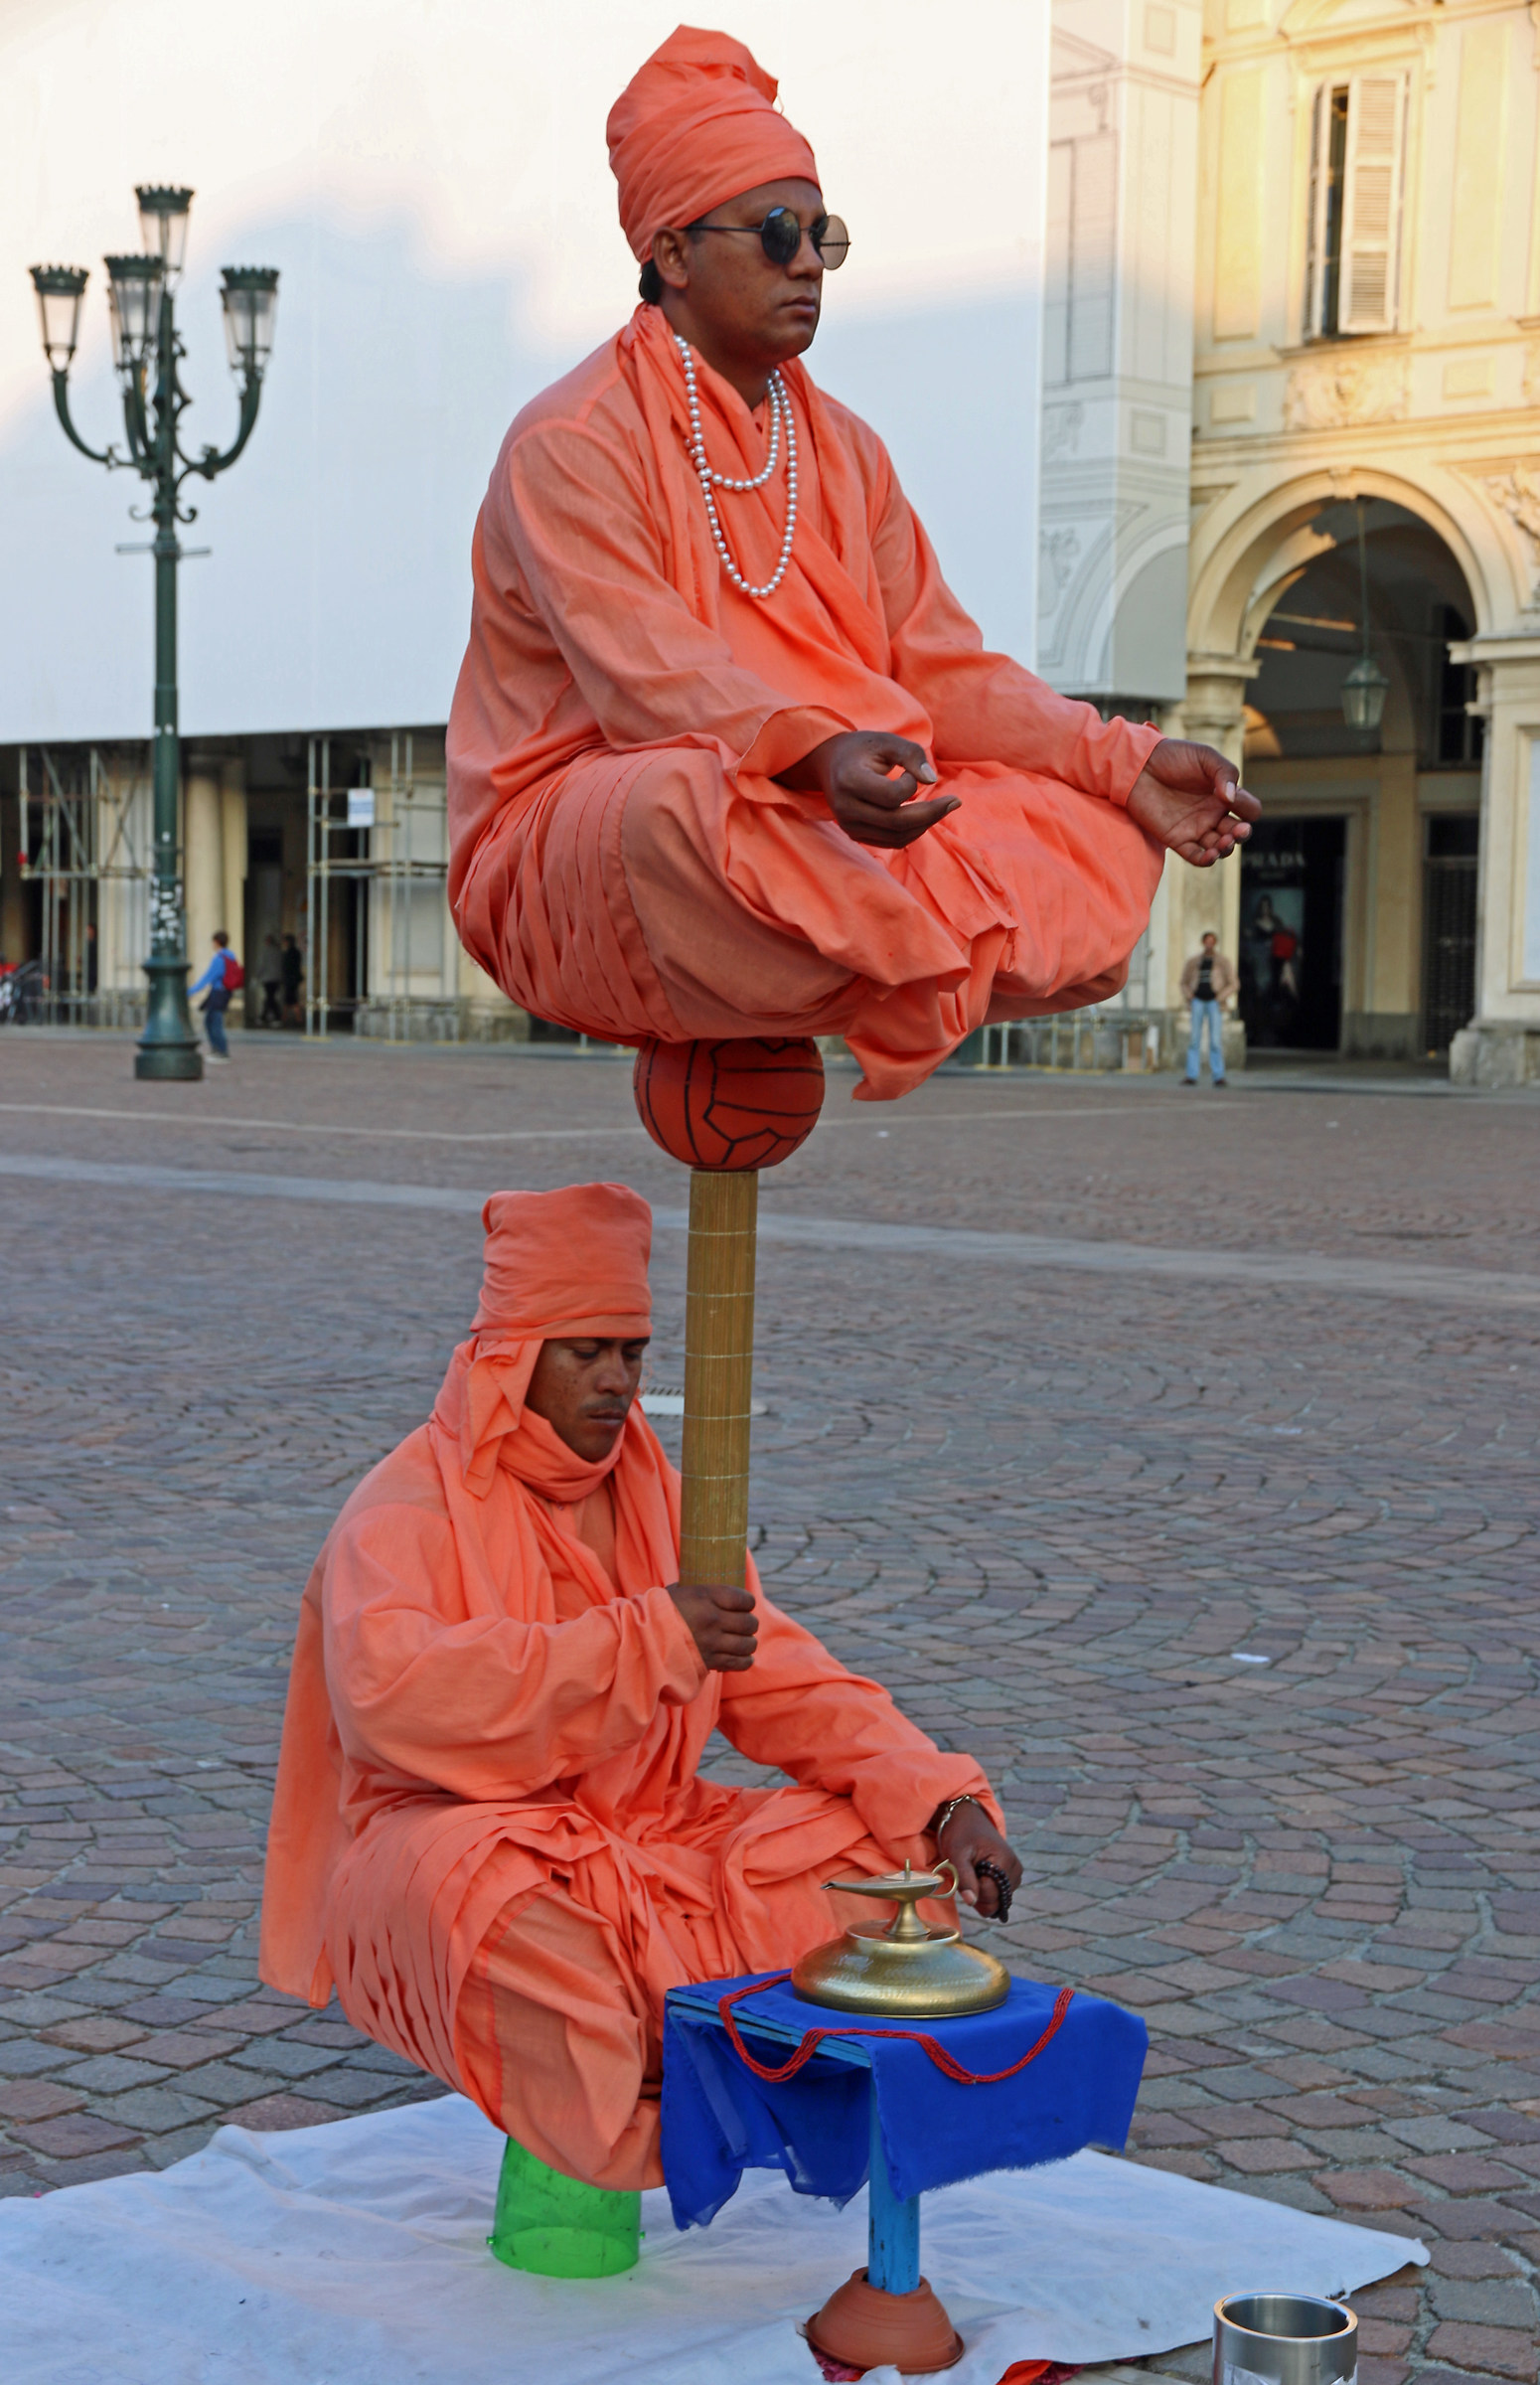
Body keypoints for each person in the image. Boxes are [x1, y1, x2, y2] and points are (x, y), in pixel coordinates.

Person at [445, 28, 1260, 1103]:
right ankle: (896, 937)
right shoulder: (572, 438)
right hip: (596, 831)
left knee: (1088, 827)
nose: (804, 264)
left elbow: (939, 674)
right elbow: (651, 683)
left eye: (820, 235)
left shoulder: (846, 449)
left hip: (821, 807)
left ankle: (882, 938)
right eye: (775, 231)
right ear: (673, 253)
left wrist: (1120, 761)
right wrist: (820, 757)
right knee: (680, 802)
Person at [258, 1183, 1020, 2190]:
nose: (617, 1382)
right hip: (451, 1837)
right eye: (586, 1353)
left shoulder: (657, 1491)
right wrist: (643, 1638)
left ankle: (738, 2087)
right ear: (513, 1360)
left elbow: (780, 1674)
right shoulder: (404, 1506)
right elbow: (402, 1698)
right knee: (503, 1902)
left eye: (633, 1352)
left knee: (877, 1860)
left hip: (644, 1834)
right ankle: (656, 2134)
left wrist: (944, 1799)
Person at [1178, 930, 1237, 1087]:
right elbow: (1183, 981)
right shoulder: (1194, 962)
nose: (1209, 944)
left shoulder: (1222, 962)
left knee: (1215, 1041)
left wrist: (1220, 997)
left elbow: (1234, 983)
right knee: (1194, 1039)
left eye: (1212, 941)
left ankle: (1218, 1075)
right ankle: (1191, 1074)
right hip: (1197, 1001)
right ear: (1203, 942)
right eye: (1206, 941)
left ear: (1215, 943)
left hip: (1214, 1002)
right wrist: (1190, 995)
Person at [188, 930, 236, 1063]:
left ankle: (221, 1051)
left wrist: (190, 991)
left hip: (218, 992)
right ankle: (218, 1049)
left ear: (216, 942)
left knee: (214, 1022)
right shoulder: (230, 956)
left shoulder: (219, 958)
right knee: (212, 1020)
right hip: (225, 992)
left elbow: (208, 977)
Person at [258, 932, 283, 1028]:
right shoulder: (278, 951)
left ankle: (273, 1017)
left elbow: (261, 966)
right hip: (277, 978)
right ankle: (265, 1016)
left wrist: (257, 976)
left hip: (267, 978)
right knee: (270, 997)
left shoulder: (265, 952)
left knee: (270, 997)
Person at [279, 932, 304, 1028]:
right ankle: (286, 1017)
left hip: (290, 979)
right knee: (290, 998)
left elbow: (287, 967)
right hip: (293, 979)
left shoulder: (289, 953)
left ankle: (297, 1017)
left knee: (291, 999)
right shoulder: (296, 952)